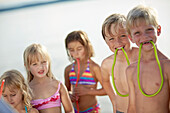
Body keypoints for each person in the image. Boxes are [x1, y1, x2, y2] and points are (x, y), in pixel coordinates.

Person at [126, 5, 170, 113]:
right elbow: (131, 106)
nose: (144, 36)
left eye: (149, 30)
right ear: (131, 38)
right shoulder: (131, 70)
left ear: (158, 30)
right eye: (137, 33)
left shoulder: (167, 66)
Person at [101, 14, 139, 113]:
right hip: (121, 109)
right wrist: (114, 100)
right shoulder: (107, 64)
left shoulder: (142, 56)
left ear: (131, 35)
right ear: (106, 42)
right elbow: (105, 81)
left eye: (122, 36)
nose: (117, 42)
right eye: (111, 39)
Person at [23, 43, 74, 113]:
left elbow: (70, 110)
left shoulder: (58, 85)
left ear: (48, 62)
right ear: (27, 67)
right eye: (35, 64)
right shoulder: (27, 91)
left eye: (43, 62)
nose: (40, 67)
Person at [64, 30, 106, 113]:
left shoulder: (94, 68)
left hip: (92, 110)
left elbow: (107, 90)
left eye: (79, 49)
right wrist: (69, 95)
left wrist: (88, 91)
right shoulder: (68, 70)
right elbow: (66, 91)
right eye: (71, 50)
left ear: (86, 47)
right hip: (75, 111)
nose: (75, 53)